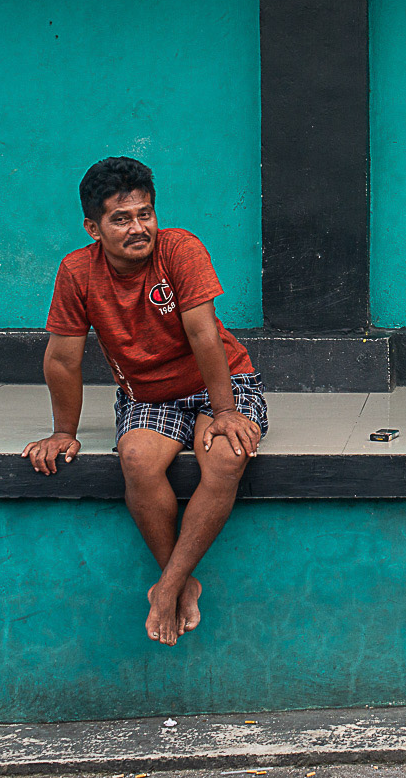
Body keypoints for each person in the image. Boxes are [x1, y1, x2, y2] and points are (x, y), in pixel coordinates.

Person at [23, 156, 267, 644]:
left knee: (227, 456)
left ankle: (168, 587)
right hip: (149, 395)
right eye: (121, 219)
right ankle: (179, 580)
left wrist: (224, 411)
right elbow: (63, 360)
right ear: (93, 228)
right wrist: (64, 432)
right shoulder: (77, 272)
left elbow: (203, 334)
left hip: (221, 382)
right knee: (135, 458)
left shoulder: (180, 249)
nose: (138, 228)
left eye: (145, 214)